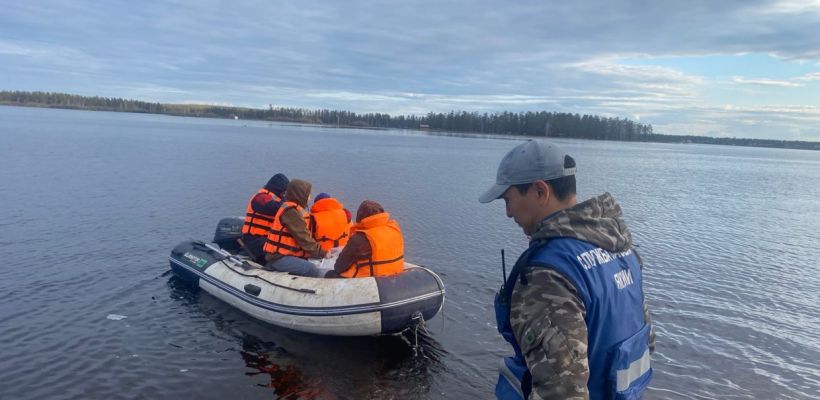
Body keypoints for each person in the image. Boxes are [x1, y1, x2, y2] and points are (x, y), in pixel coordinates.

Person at [479, 140, 655, 400]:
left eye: (509, 199)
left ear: (540, 191)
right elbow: (647, 341)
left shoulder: (548, 274)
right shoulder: (623, 251)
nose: (508, 213)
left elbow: (560, 392)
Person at [263, 179, 329, 277]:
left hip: (288, 255)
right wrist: (322, 253)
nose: (310, 198)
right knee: (311, 269)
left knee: (313, 262)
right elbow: (303, 237)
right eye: (308, 194)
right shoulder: (291, 212)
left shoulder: (295, 209)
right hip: (279, 258)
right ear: (299, 194)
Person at [328, 200, 404, 278]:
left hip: (370, 282)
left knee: (329, 274)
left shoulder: (360, 238)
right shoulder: (394, 229)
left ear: (360, 216)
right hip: (394, 276)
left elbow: (339, 267)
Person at [241, 173, 289, 263]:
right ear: (279, 189)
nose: (284, 193)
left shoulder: (278, 200)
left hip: (266, 240)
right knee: (285, 247)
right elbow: (275, 208)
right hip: (255, 240)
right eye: (284, 191)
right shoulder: (261, 197)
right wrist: (289, 200)